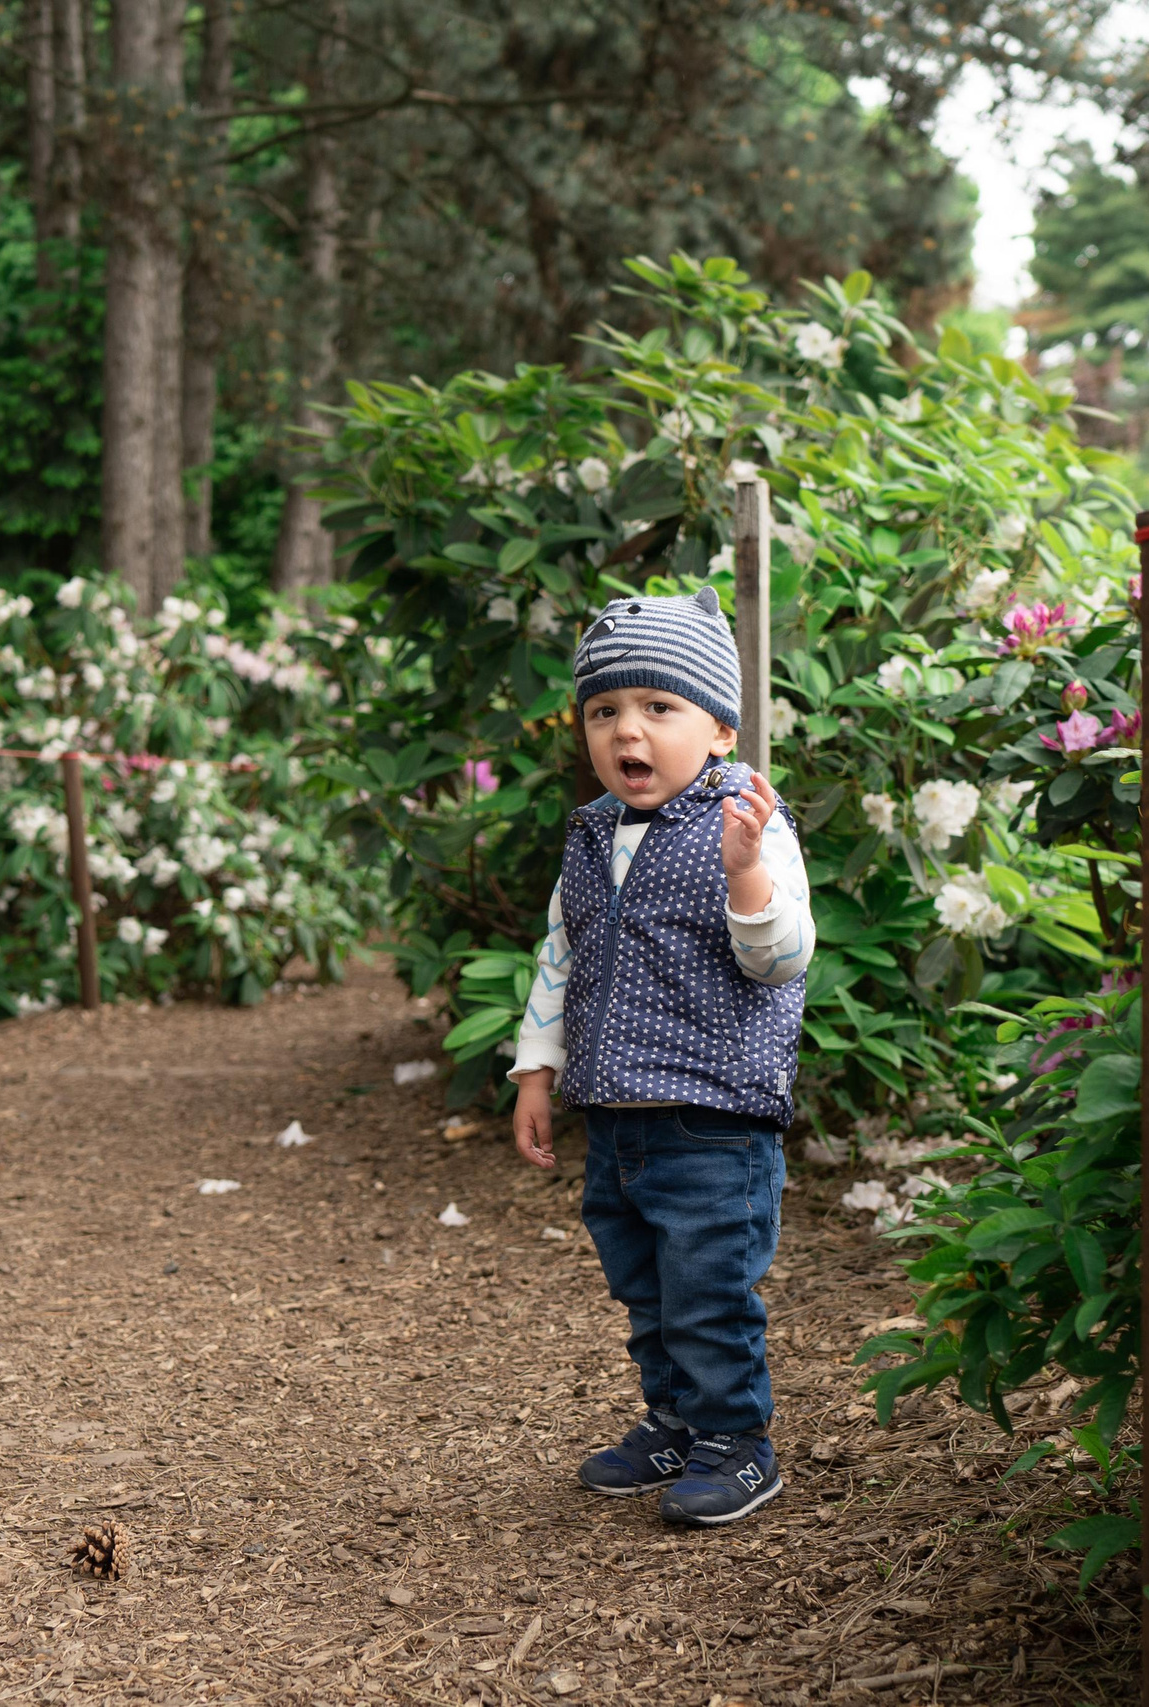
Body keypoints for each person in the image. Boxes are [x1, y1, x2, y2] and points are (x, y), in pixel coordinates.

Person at [509, 586, 817, 1526]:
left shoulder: (750, 824)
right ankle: (676, 1419)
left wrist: (745, 873)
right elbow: (564, 955)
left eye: (658, 708)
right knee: (644, 1283)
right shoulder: (593, 833)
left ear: (720, 729)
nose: (625, 731)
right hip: (619, 1120)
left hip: (714, 1120)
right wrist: (536, 1066)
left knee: (708, 1285)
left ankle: (739, 1439)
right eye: (605, 712)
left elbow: (783, 958)